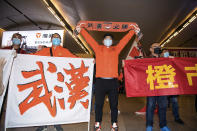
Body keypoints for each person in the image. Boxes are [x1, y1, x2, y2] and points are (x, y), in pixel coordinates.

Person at [76, 26, 135, 131]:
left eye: (110, 39)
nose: (108, 40)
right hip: (100, 82)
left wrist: (132, 31)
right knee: (98, 104)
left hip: (113, 82)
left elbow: (124, 40)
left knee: (114, 105)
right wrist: (81, 30)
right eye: (106, 39)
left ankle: (114, 124)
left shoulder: (116, 49)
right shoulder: (98, 48)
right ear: (103, 41)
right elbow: (89, 39)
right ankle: (97, 123)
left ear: (112, 41)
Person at [32, 33, 77, 131]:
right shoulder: (45, 50)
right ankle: (43, 124)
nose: (56, 39)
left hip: (59, 82)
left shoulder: (64, 51)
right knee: (45, 102)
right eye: (54, 37)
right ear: (51, 40)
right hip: (47, 81)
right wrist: (17, 56)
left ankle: (57, 124)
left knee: (58, 102)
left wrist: (90, 61)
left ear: (60, 40)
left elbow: (76, 59)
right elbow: (32, 57)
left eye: (58, 38)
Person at [146, 43, 170, 131]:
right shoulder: (146, 60)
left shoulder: (165, 59)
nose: (158, 48)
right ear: (151, 49)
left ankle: (163, 125)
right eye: (155, 47)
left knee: (163, 106)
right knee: (150, 106)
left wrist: (168, 58)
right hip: (151, 87)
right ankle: (149, 125)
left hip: (162, 86)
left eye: (159, 47)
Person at [162, 50, 184, 125]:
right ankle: (163, 119)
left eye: (167, 52)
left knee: (175, 102)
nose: (165, 53)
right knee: (163, 104)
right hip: (163, 86)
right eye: (164, 52)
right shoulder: (159, 61)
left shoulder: (173, 60)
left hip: (172, 86)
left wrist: (174, 59)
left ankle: (177, 117)